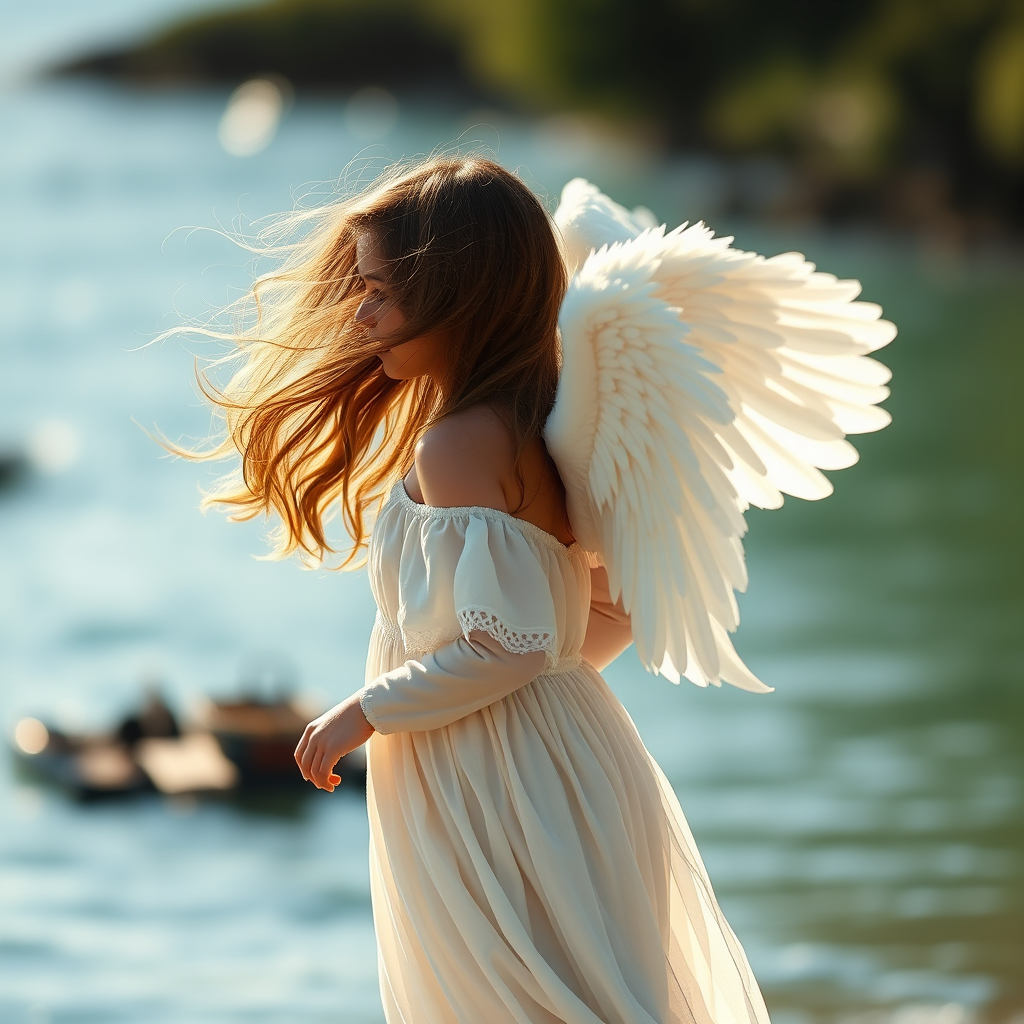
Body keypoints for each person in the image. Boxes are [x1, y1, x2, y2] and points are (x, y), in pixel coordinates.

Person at [191, 156, 770, 1024]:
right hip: (555, 758)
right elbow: (597, 616)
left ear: (456, 296)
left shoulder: (458, 447)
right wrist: (548, 711)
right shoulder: (542, 427)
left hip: (485, 776)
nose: (362, 313)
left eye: (381, 290)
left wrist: (366, 712)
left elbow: (509, 645)